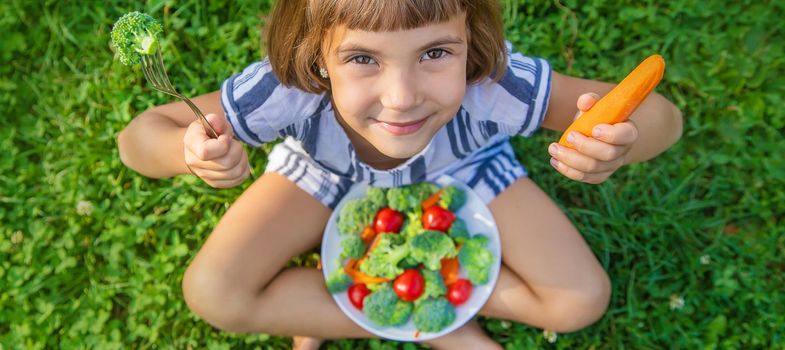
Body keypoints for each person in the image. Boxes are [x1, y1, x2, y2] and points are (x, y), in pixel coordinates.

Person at [117, 0, 682, 348]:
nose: (402, 98)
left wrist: (617, 145)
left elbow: (662, 118)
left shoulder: (494, 80)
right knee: (213, 292)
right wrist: (187, 150)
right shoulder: (288, 90)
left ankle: (403, 310)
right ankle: (442, 326)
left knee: (580, 300)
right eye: (363, 58)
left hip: (466, 170)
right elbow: (138, 138)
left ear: (472, 44)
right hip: (324, 175)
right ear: (316, 58)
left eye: (436, 53)